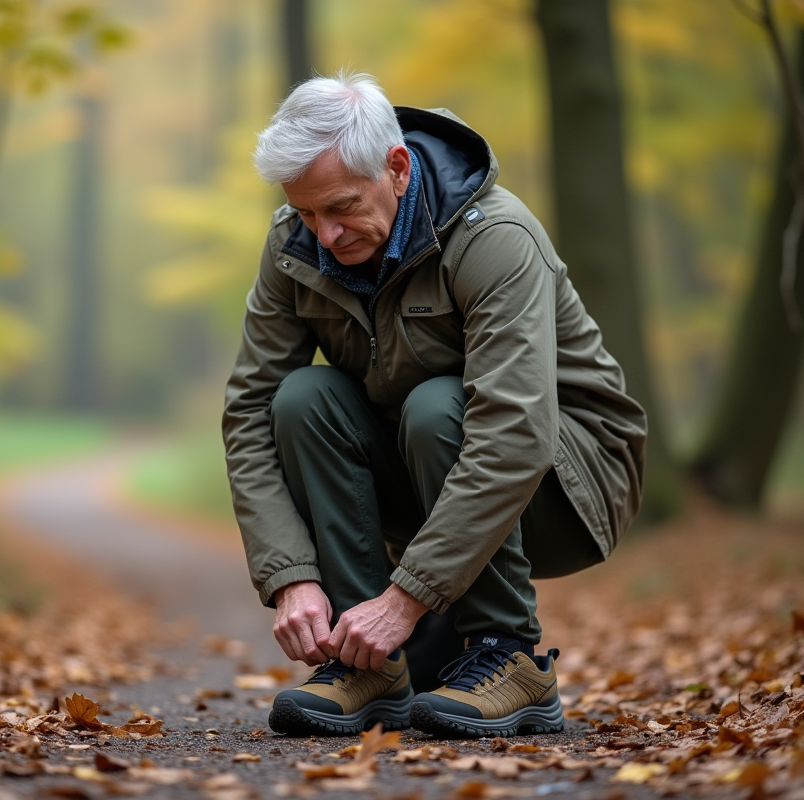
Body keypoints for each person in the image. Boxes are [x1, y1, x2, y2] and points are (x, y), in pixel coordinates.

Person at [221, 72, 647, 739]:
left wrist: (407, 598)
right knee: (303, 397)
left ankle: (512, 659)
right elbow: (248, 411)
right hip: (428, 471)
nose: (324, 235)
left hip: (569, 486)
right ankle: (369, 665)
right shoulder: (293, 247)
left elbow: (514, 434)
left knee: (437, 403)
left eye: (339, 207)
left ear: (395, 169)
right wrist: (290, 576)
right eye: (305, 214)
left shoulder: (495, 238)